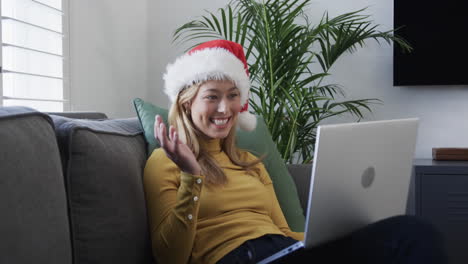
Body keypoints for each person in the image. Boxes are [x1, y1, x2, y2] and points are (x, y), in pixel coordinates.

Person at [143, 39, 447, 264]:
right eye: (212, 97)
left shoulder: (250, 163)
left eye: (233, 96)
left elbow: (284, 232)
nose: (225, 108)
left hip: (285, 251)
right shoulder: (165, 163)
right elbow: (171, 257)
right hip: (238, 258)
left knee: (412, 232)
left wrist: (341, 235)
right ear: (186, 103)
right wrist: (191, 176)